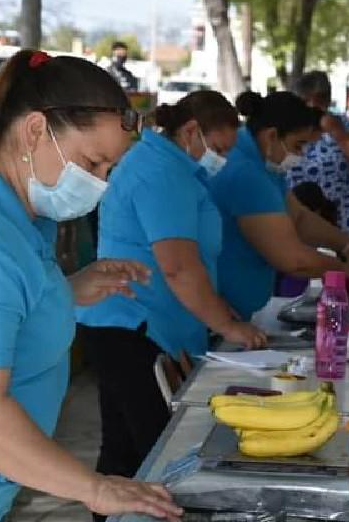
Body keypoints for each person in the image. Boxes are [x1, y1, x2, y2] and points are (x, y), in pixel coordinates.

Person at [0, 50, 180, 521]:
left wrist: (64, 292)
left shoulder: (23, 212)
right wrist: (95, 489)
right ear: (33, 132)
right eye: (93, 163)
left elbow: (3, 313)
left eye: (108, 170)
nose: (100, 184)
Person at [77, 90, 264, 501]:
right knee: (155, 458)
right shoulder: (160, 171)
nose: (221, 159)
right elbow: (178, 266)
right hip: (133, 325)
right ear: (192, 130)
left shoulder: (175, 168)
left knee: (127, 456)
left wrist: (216, 310)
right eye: (218, 147)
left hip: (139, 321)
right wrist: (227, 325)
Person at [210, 91, 349, 322]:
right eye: (298, 145)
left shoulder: (263, 162)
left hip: (236, 310)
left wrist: (348, 246)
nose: (301, 155)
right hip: (220, 312)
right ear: (271, 136)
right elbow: (292, 260)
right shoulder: (246, 172)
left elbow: (298, 217)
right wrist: (345, 269)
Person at [287, 71, 349, 233]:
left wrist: (338, 133)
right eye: (304, 101)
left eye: (319, 100)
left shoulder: (348, 128)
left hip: (343, 227)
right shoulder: (286, 130)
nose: (311, 108)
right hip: (296, 228)